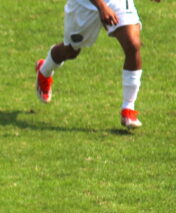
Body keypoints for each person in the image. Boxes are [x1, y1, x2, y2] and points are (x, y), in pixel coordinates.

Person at [34, 0, 161, 129]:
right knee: (70, 51)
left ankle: (128, 109)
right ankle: (44, 70)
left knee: (132, 45)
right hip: (83, 4)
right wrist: (101, 6)